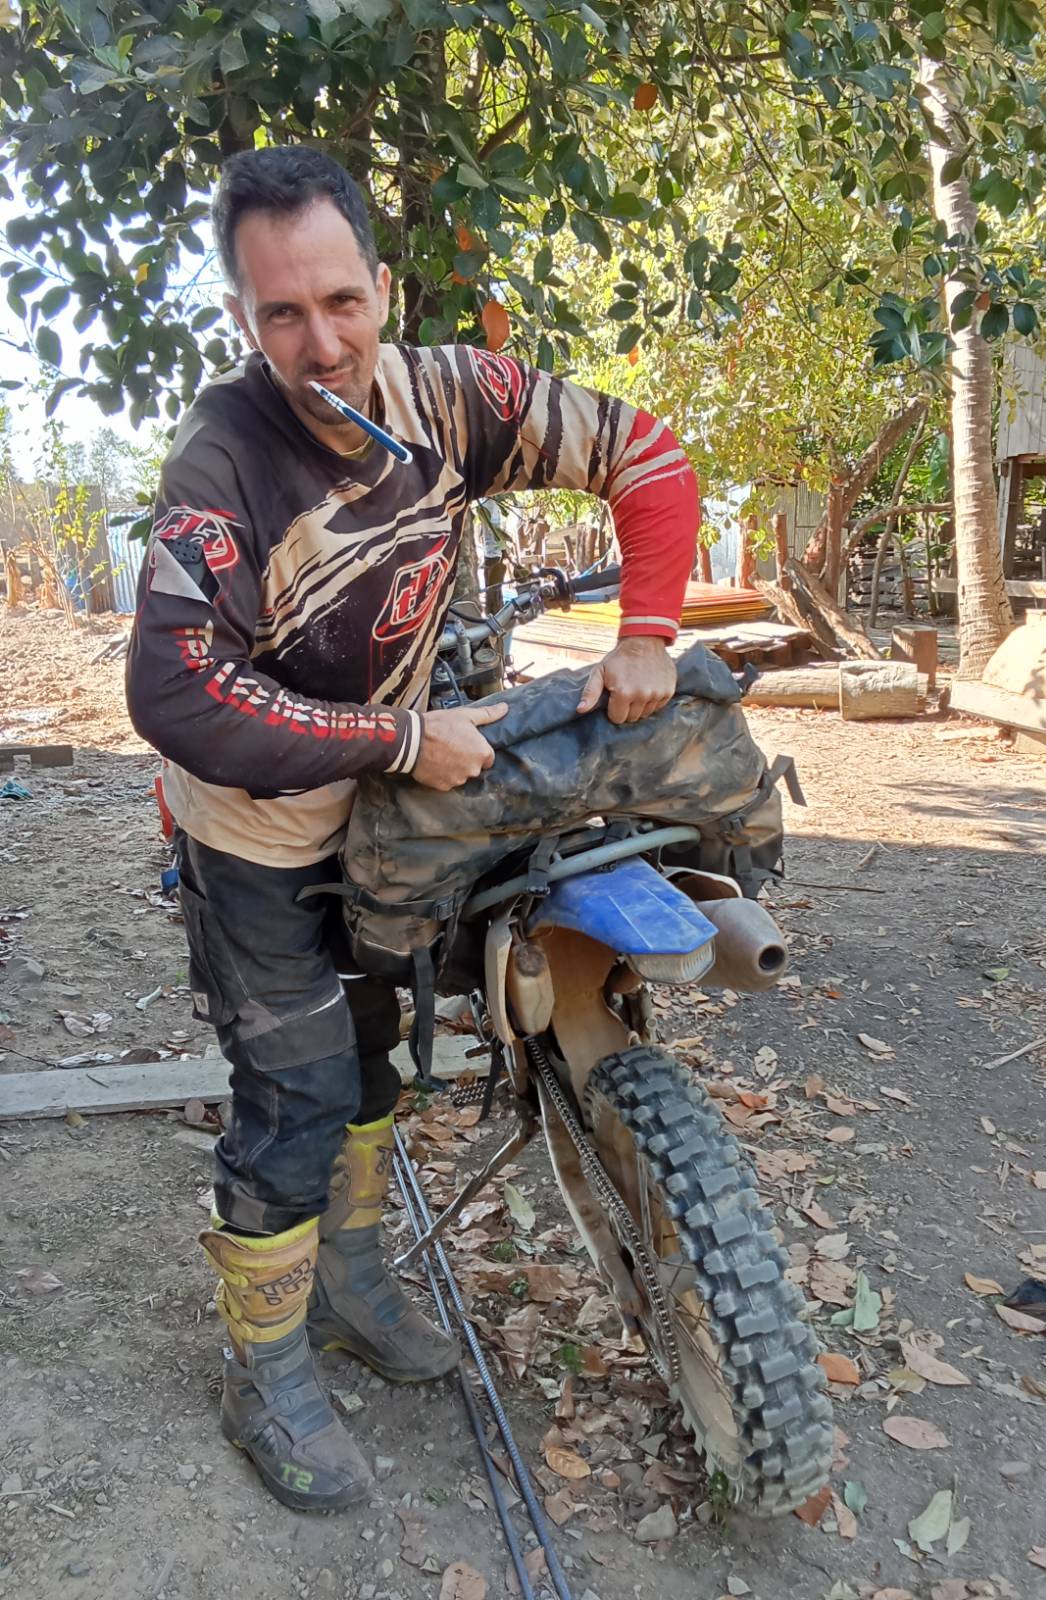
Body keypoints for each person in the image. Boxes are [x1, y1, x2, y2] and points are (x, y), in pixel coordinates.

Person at [125, 146, 699, 1513]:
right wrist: (397, 737)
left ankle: (352, 1281)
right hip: (256, 837)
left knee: (374, 1051)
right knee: (293, 1093)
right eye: (281, 314)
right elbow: (173, 689)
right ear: (242, 317)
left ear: (382, 287)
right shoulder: (221, 464)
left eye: (341, 302)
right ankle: (264, 1367)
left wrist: (651, 629)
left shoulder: (450, 396)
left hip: (389, 825)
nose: (321, 344)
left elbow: (647, 454)